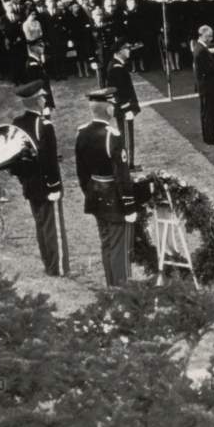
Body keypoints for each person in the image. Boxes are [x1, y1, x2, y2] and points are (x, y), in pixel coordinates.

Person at [75, 87, 137, 288]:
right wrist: (129, 205)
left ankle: (112, 286)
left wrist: (89, 192)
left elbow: (81, 172)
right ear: (108, 109)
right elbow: (122, 175)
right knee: (119, 245)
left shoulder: (82, 133)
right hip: (113, 196)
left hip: (95, 193)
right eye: (112, 104)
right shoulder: (113, 135)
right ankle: (122, 289)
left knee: (106, 242)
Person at [10, 81, 69, 277]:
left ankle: (48, 264)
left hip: (29, 183)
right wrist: (54, 186)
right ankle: (57, 268)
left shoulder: (17, 123)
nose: (45, 98)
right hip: (46, 184)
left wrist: (24, 179)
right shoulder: (44, 125)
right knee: (53, 228)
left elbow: (16, 158)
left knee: (41, 225)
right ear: (37, 101)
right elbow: (49, 159)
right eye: (43, 96)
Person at [106, 39, 142, 170]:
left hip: (123, 108)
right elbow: (119, 92)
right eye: (126, 48)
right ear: (119, 51)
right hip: (124, 109)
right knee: (126, 138)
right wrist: (128, 108)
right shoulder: (117, 68)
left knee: (126, 137)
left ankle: (129, 164)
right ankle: (127, 166)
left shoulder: (116, 65)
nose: (129, 51)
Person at [193, 25, 214, 145]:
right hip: (208, 86)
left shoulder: (199, 47)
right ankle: (209, 138)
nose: (210, 39)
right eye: (208, 36)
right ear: (202, 36)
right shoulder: (201, 50)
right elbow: (209, 69)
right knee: (209, 113)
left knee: (207, 112)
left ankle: (209, 135)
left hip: (205, 85)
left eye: (211, 36)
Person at [23, 40, 55, 112]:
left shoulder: (37, 61)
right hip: (41, 98)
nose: (43, 47)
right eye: (40, 46)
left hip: (44, 96)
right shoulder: (32, 64)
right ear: (33, 48)